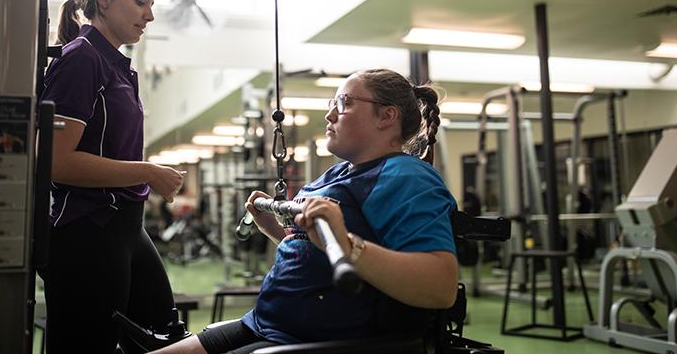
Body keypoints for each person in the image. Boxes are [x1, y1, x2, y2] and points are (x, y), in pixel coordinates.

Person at [152, 69, 459, 354]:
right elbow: (316, 253)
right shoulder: (339, 173)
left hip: (318, 340)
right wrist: (275, 230)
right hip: (265, 322)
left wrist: (346, 243)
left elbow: (441, 287)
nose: (329, 114)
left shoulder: (407, 177)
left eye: (344, 103)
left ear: (386, 116)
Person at [41, 0, 186, 353]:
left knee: (163, 335)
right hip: (87, 228)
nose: (149, 15)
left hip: (124, 226)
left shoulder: (115, 65)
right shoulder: (82, 59)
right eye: (141, 2)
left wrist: (145, 174)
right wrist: (147, 172)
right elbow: (57, 161)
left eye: (151, 4)